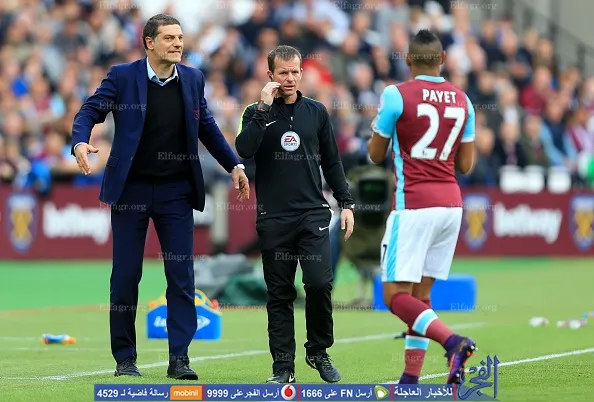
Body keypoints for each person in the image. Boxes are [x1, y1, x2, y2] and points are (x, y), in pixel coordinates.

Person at [71, 14, 249, 380]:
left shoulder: (193, 79)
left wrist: (234, 164)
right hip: (131, 190)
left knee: (181, 276)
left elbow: (207, 127)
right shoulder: (123, 76)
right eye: (169, 38)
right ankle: (125, 359)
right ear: (149, 43)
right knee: (125, 276)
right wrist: (79, 141)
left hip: (176, 192)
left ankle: (179, 359)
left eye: (180, 37)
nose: (178, 43)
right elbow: (90, 109)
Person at [235, 45, 355, 384]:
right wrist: (263, 108)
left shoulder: (316, 111)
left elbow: (332, 161)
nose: (289, 78)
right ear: (270, 75)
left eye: (295, 72)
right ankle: (283, 368)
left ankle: (318, 351)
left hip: (312, 213)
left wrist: (346, 203)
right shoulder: (255, 112)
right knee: (280, 294)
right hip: (273, 217)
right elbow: (244, 149)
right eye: (283, 72)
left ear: (302, 73)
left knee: (319, 283)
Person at [367, 29, 477, 385]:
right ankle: (410, 378)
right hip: (451, 206)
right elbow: (466, 165)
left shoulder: (395, 94)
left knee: (394, 296)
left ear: (408, 59)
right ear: (443, 59)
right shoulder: (463, 100)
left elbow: (375, 154)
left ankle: (453, 342)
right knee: (420, 297)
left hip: (413, 205)